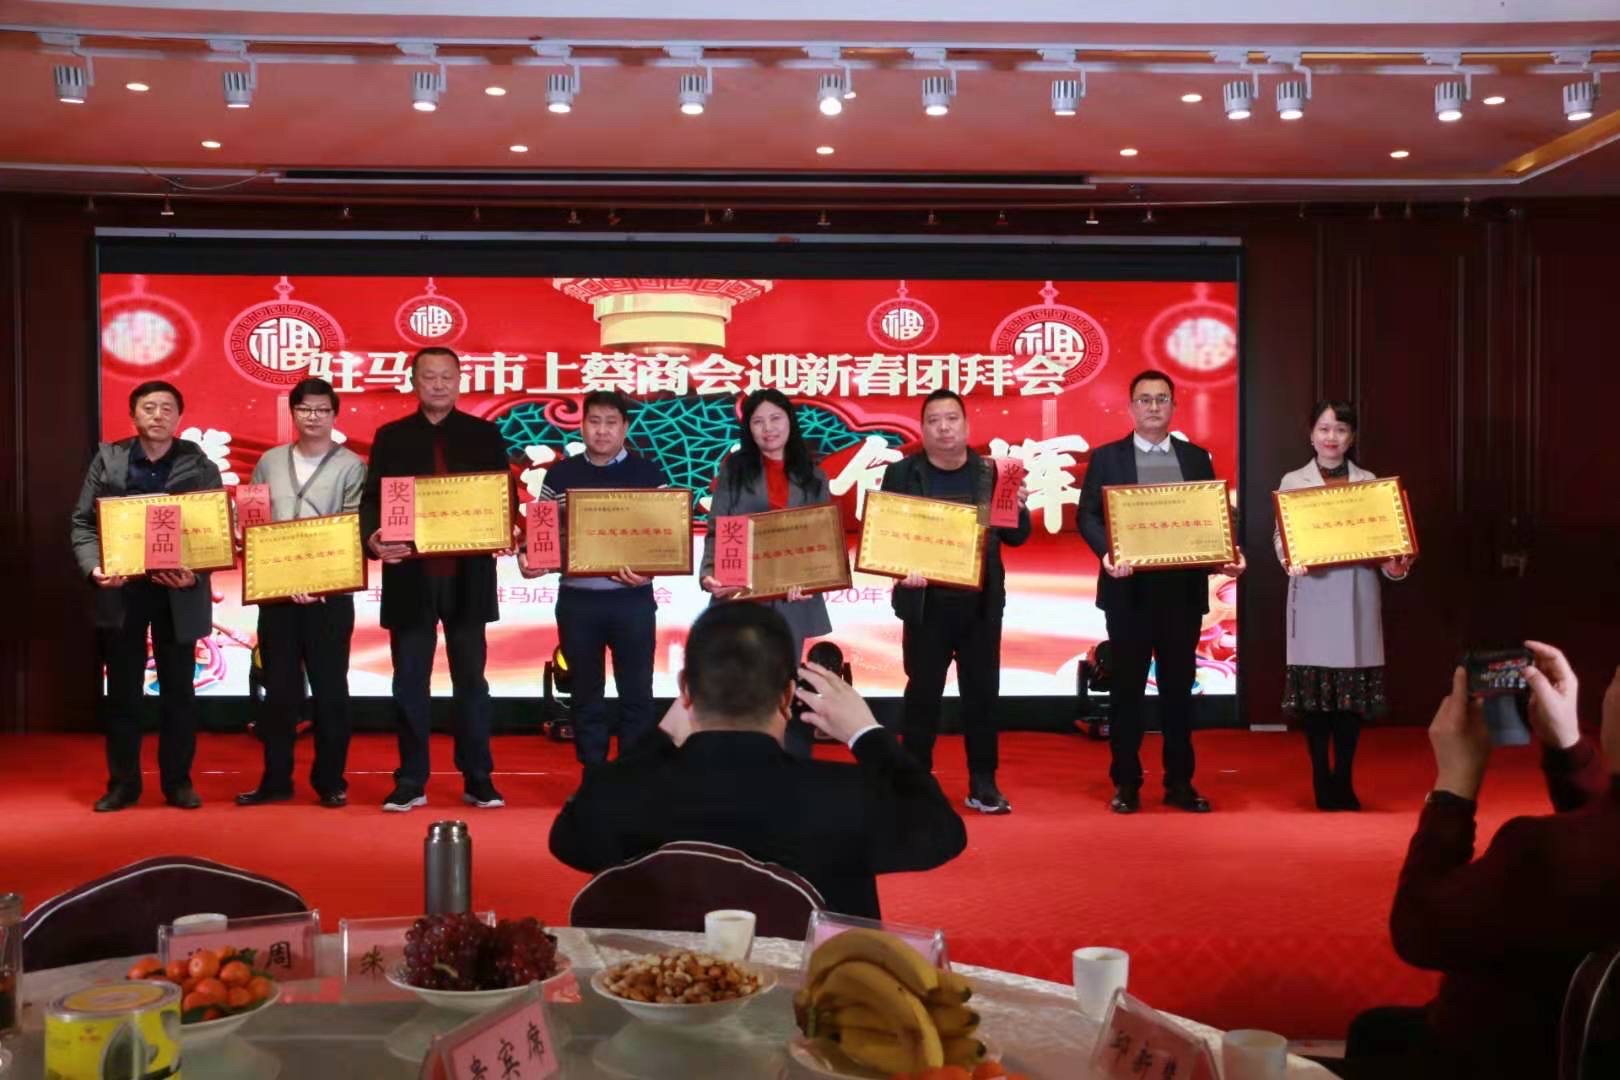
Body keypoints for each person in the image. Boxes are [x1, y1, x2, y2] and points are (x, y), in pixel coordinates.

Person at [549, 602, 967, 919]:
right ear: (788, 696)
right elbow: (942, 833)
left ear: (686, 691)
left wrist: (660, 737)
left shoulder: (623, 795)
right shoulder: (844, 797)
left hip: (654, 1000)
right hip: (807, 1005)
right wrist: (867, 733)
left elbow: (568, 840)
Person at [1340, 642, 1620, 1080]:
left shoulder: (1539, 852)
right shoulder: (1586, 849)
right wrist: (1566, 746)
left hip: (1499, 1054)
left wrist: (1455, 782)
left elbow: (1419, 930)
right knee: (1376, 1031)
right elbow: (1601, 832)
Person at [1078, 369, 1246, 814]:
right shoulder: (1107, 458)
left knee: (1178, 693)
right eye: (1145, 399)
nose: (1153, 407)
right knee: (1126, 693)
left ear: (1173, 406)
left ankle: (1180, 783)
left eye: (1161, 399)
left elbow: (1209, 520)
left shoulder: (1196, 458)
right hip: (1128, 592)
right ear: (1131, 407)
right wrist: (1106, 552)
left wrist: (1226, 555)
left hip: (1181, 593)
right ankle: (1126, 783)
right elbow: (1087, 515)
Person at [360, 347, 511, 812]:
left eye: (447, 376)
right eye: (429, 376)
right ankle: (411, 779)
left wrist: (505, 527)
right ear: (414, 382)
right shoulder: (391, 437)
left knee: (472, 683)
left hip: (468, 576)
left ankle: (478, 777)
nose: (439, 384)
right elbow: (372, 500)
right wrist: (373, 537)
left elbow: (502, 496)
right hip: (410, 575)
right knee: (409, 682)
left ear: (460, 381)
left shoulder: (484, 434)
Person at [70, 380, 221, 812]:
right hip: (123, 591)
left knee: (179, 692)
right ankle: (123, 784)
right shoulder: (109, 459)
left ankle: (178, 783)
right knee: (122, 692)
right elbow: (82, 522)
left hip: (178, 592)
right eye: (149, 407)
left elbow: (212, 532)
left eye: (167, 408)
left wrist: (194, 575)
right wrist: (94, 567)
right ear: (133, 414)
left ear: (179, 417)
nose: (158, 415)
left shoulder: (199, 464)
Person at [880, 389, 1030, 815]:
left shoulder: (992, 474)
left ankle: (983, 783)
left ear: (966, 425)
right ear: (923, 428)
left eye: (951, 419)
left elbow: (1016, 538)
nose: (944, 428)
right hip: (926, 605)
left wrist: (1019, 508)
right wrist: (902, 569)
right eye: (934, 420)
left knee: (982, 696)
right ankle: (915, 783)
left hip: (980, 606)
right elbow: (888, 536)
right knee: (922, 696)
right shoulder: (903, 474)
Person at [1274, 400, 1414, 811]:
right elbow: (1281, 536)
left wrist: (1395, 567)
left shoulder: (1369, 483)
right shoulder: (1293, 480)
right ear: (1311, 434)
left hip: (1356, 598)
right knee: (1317, 701)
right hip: (1313, 596)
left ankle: (1345, 780)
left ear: (1351, 437)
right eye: (1323, 428)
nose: (1331, 437)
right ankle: (1321, 777)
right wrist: (1289, 558)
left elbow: (1386, 545)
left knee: (1350, 703)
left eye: (1340, 430)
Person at [236, 377, 367, 809]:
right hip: (277, 595)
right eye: (305, 409)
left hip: (329, 598)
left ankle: (330, 781)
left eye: (322, 410)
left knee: (331, 692)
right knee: (279, 693)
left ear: (334, 415)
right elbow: (255, 520)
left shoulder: (351, 466)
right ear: (293, 413)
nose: (313, 417)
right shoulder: (269, 461)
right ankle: (275, 780)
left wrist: (320, 581)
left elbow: (352, 528)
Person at [520, 390, 668, 766]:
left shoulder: (649, 474)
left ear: (625, 427)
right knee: (586, 695)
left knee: (638, 695)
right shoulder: (561, 474)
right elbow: (542, 535)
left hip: (632, 600)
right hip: (578, 601)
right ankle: (594, 777)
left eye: (611, 422)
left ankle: (633, 778)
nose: (602, 431)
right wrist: (529, 559)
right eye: (594, 421)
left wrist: (651, 569)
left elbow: (668, 539)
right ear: (582, 425)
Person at [699, 388, 834, 760]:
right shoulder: (735, 470)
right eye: (758, 422)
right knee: (740, 685)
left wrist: (811, 579)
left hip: (793, 596)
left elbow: (820, 538)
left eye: (775, 418)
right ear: (749, 429)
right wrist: (710, 573)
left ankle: (787, 767)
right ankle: (738, 768)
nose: (768, 428)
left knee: (783, 684)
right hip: (742, 594)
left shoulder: (813, 476)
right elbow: (718, 527)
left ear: (790, 421)